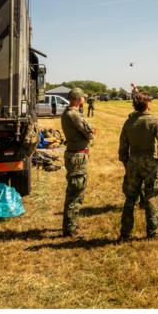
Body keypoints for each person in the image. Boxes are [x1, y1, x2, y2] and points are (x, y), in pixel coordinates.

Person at [117, 93, 158, 241]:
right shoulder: (155, 122)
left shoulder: (128, 123)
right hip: (150, 162)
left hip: (133, 162)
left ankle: (124, 234)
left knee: (130, 199)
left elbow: (122, 149)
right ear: (148, 104)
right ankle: (152, 232)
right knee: (151, 197)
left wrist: (127, 164)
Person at [60, 88, 95, 238]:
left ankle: (72, 220)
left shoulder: (69, 113)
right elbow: (90, 133)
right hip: (77, 157)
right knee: (75, 190)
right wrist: (92, 131)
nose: (85, 100)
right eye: (84, 98)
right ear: (80, 99)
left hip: (75, 155)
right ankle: (69, 228)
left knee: (78, 189)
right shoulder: (74, 115)